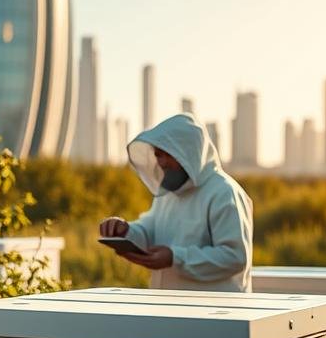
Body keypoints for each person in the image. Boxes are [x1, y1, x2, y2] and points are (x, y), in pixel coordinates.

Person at [99, 113, 253, 292]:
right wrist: (125, 231)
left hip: (217, 314)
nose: (161, 162)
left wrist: (175, 257)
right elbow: (150, 230)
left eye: (167, 155)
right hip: (170, 310)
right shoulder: (168, 193)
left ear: (187, 152)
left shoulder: (224, 192)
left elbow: (234, 257)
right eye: (158, 155)